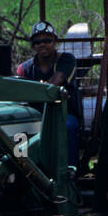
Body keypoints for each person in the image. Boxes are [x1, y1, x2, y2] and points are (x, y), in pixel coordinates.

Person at [16, 21, 80, 165]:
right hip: (34, 115)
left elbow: (56, 82)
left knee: (67, 127)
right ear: (33, 45)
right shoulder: (24, 68)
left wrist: (35, 89)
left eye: (47, 40)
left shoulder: (66, 60)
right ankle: (20, 169)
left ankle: (69, 170)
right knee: (17, 130)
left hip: (62, 113)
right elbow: (19, 90)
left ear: (54, 41)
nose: (42, 44)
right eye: (38, 42)